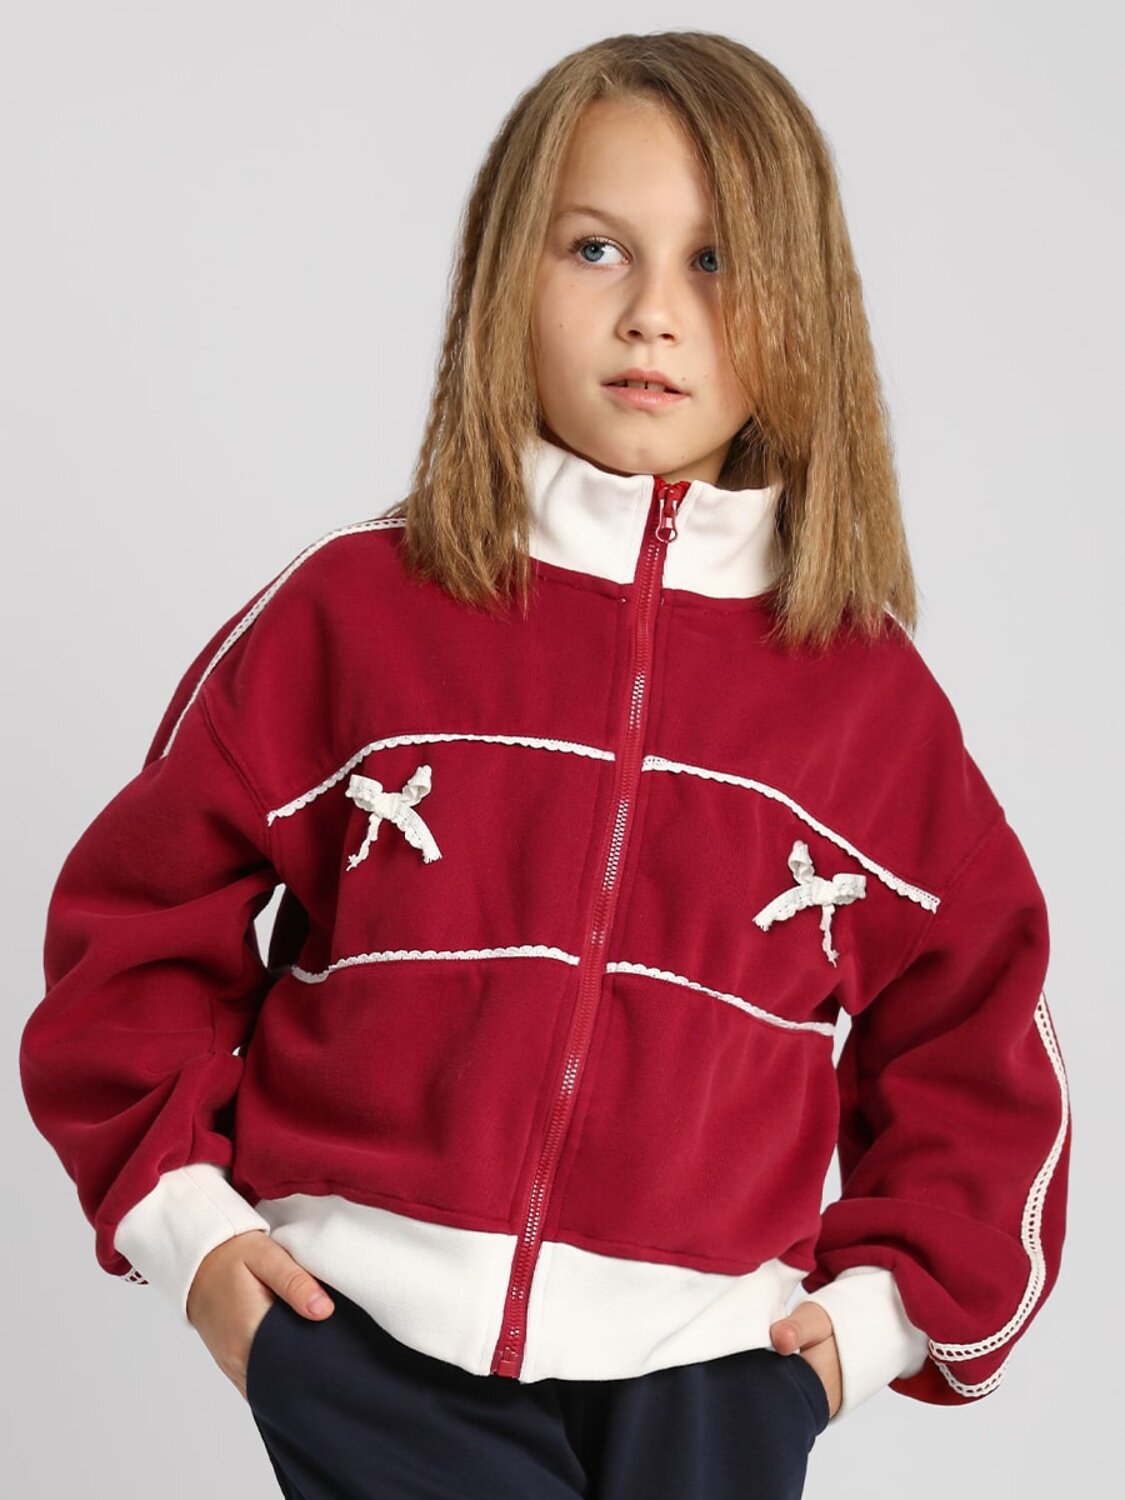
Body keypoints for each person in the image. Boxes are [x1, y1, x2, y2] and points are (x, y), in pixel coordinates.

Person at [19, 29, 1070, 1500]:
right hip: (365, 1343)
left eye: (716, 261)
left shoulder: (870, 703)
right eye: (595, 248)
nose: (654, 314)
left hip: (712, 1380)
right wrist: (194, 1240)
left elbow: (981, 1045)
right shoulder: (352, 614)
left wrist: (866, 1329)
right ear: (505, 272)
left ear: (804, 305)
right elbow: (133, 930)